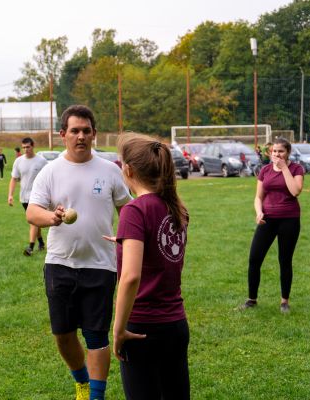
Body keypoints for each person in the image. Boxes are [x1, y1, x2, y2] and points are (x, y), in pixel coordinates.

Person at [27, 105, 131, 400]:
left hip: (100, 265)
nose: (81, 136)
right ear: (63, 135)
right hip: (60, 264)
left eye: (86, 130)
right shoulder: (50, 171)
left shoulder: (110, 171)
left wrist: (130, 239)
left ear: (94, 134)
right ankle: (81, 381)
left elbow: (128, 209)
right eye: (75, 131)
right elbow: (33, 212)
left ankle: (94, 396)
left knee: (97, 336)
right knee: (62, 333)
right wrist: (53, 218)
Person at [109, 134, 190, 399]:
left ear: (129, 170)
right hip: (175, 325)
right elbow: (163, 254)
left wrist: (118, 329)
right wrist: (128, 241)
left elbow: (131, 277)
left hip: (142, 328)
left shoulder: (135, 211)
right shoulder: (176, 207)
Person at [239, 137, 304, 313]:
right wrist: (259, 211)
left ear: (288, 152)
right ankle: (252, 299)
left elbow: (295, 191)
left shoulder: (296, 169)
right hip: (267, 220)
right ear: (270, 152)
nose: (277, 154)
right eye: (274, 151)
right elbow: (258, 197)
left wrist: (284, 169)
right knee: (254, 259)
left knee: (284, 260)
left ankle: (284, 302)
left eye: (281, 151)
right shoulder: (265, 170)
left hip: (289, 220)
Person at [8, 137, 48, 256]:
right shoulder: (18, 161)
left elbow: (48, 179)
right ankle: (41, 242)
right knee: (34, 222)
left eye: (28, 147)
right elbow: (14, 179)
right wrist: (10, 195)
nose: (26, 149)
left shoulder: (41, 161)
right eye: (24, 147)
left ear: (33, 146)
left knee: (34, 222)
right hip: (23, 197)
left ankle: (30, 247)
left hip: (37, 197)